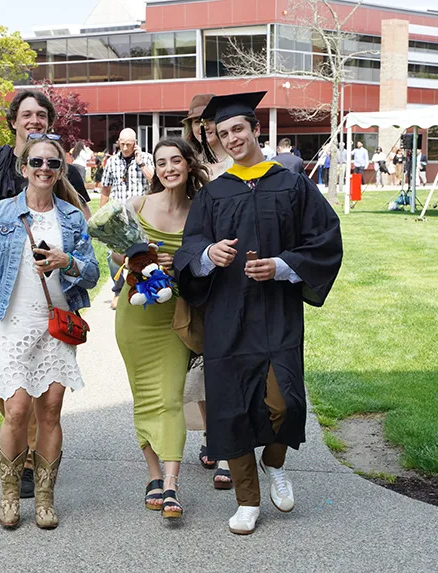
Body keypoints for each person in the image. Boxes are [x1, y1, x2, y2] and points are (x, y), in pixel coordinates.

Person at [174, 91, 343, 536]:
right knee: (229, 409)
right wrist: (210, 253)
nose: (231, 138)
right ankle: (246, 500)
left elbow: (325, 237)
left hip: (277, 312)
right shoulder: (214, 194)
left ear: (254, 130)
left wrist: (283, 266)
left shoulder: (291, 183)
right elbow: (189, 250)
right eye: (222, 133)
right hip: (228, 316)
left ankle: (274, 462)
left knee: (285, 402)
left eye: (238, 130)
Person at [0, 135, 99, 529]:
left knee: (51, 412)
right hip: (10, 323)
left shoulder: (72, 217)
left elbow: (91, 273)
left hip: (54, 324)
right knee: (17, 410)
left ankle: (44, 499)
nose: (44, 169)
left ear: (60, 172)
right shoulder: (3, 213)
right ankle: (9, 496)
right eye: (36, 162)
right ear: (24, 169)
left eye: (52, 164)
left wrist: (67, 260)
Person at [115, 137, 211, 520]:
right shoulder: (138, 205)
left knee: (170, 397)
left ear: (188, 165)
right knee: (146, 397)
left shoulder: (200, 213)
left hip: (176, 317)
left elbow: (206, 264)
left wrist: (181, 264)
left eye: (176, 161)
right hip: (135, 316)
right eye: (161, 162)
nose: (169, 168)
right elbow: (115, 258)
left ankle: (171, 485)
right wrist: (140, 258)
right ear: (153, 168)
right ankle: (154, 476)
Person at [182, 93, 234, 489]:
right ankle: (212, 435)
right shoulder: (190, 164)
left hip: (233, 277)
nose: (207, 126)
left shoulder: (241, 162)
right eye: (200, 120)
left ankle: (229, 441)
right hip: (197, 274)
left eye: (211, 118)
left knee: (228, 363)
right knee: (200, 362)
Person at [0, 91, 91, 247]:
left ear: (49, 123)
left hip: (55, 264)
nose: (34, 121)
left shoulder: (66, 171)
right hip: (5, 266)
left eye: (41, 115)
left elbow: (85, 225)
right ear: (14, 122)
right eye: (27, 115)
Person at [100, 128, 155, 310]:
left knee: (143, 253)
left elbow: (155, 181)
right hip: (118, 215)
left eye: (128, 144)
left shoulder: (146, 158)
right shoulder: (112, 162)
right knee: (112, 254)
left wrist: (140, 164)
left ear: (135, 143)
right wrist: (102, 215)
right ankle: (118, 290)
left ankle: (142, 287)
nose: (124, 147)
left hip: (140, 214)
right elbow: (106, 189)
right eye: (122, 143)